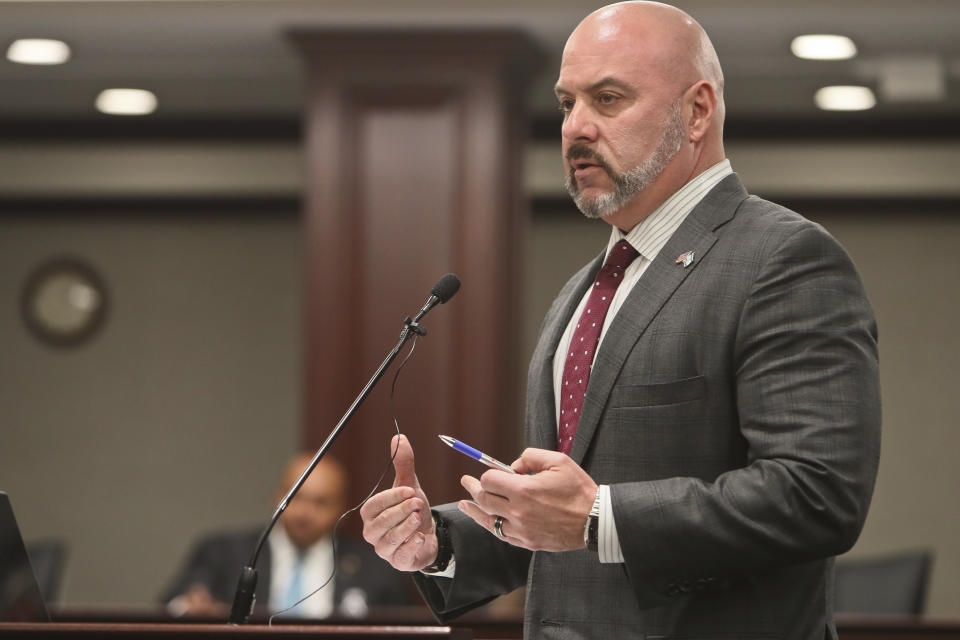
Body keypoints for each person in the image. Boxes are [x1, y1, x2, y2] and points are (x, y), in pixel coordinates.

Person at [359, 2, 882, 638]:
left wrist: (598, 516)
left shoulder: (783, 261)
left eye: (607, 99)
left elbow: (817, 495)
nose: (576, 128)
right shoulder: (586, 291)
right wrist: (439, 544)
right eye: (565, 104)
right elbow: (562, 517)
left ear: (696, 111)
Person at [163, 453, 416, 618]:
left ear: (343, 508)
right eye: (296, 498)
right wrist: (189, 607)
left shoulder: (378, 567)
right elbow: (171, 606)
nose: (305, 513)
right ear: (277, 495)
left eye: (321, 503)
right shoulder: (222, 552)